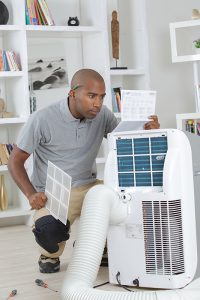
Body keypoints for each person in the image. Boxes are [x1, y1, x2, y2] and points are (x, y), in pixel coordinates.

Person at [8, 68, 160, 274]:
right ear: (72, 94)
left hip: (90, 187)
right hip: (55, 192)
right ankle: (49, 253)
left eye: (101, 97)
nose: (98, 103)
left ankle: (91, 245)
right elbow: (15, 161)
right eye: (91, 96)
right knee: (49, 230)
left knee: (127, 205)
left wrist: (149, 132)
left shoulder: (102, 115)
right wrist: (31, 194)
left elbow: (123, 145)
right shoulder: (42, 118)